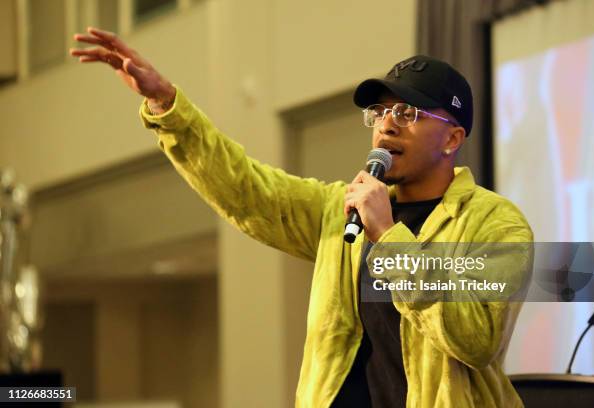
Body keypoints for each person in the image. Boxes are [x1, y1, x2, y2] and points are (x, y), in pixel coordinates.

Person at [71, 27, 533, 408]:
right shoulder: (341, 209)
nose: (386, 125)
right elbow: (247, 192)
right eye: (379, 112)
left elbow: (476, 338)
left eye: (407, 113)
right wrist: (167, 107)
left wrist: (390, 239)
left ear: (451, 140)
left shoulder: (496, 225)